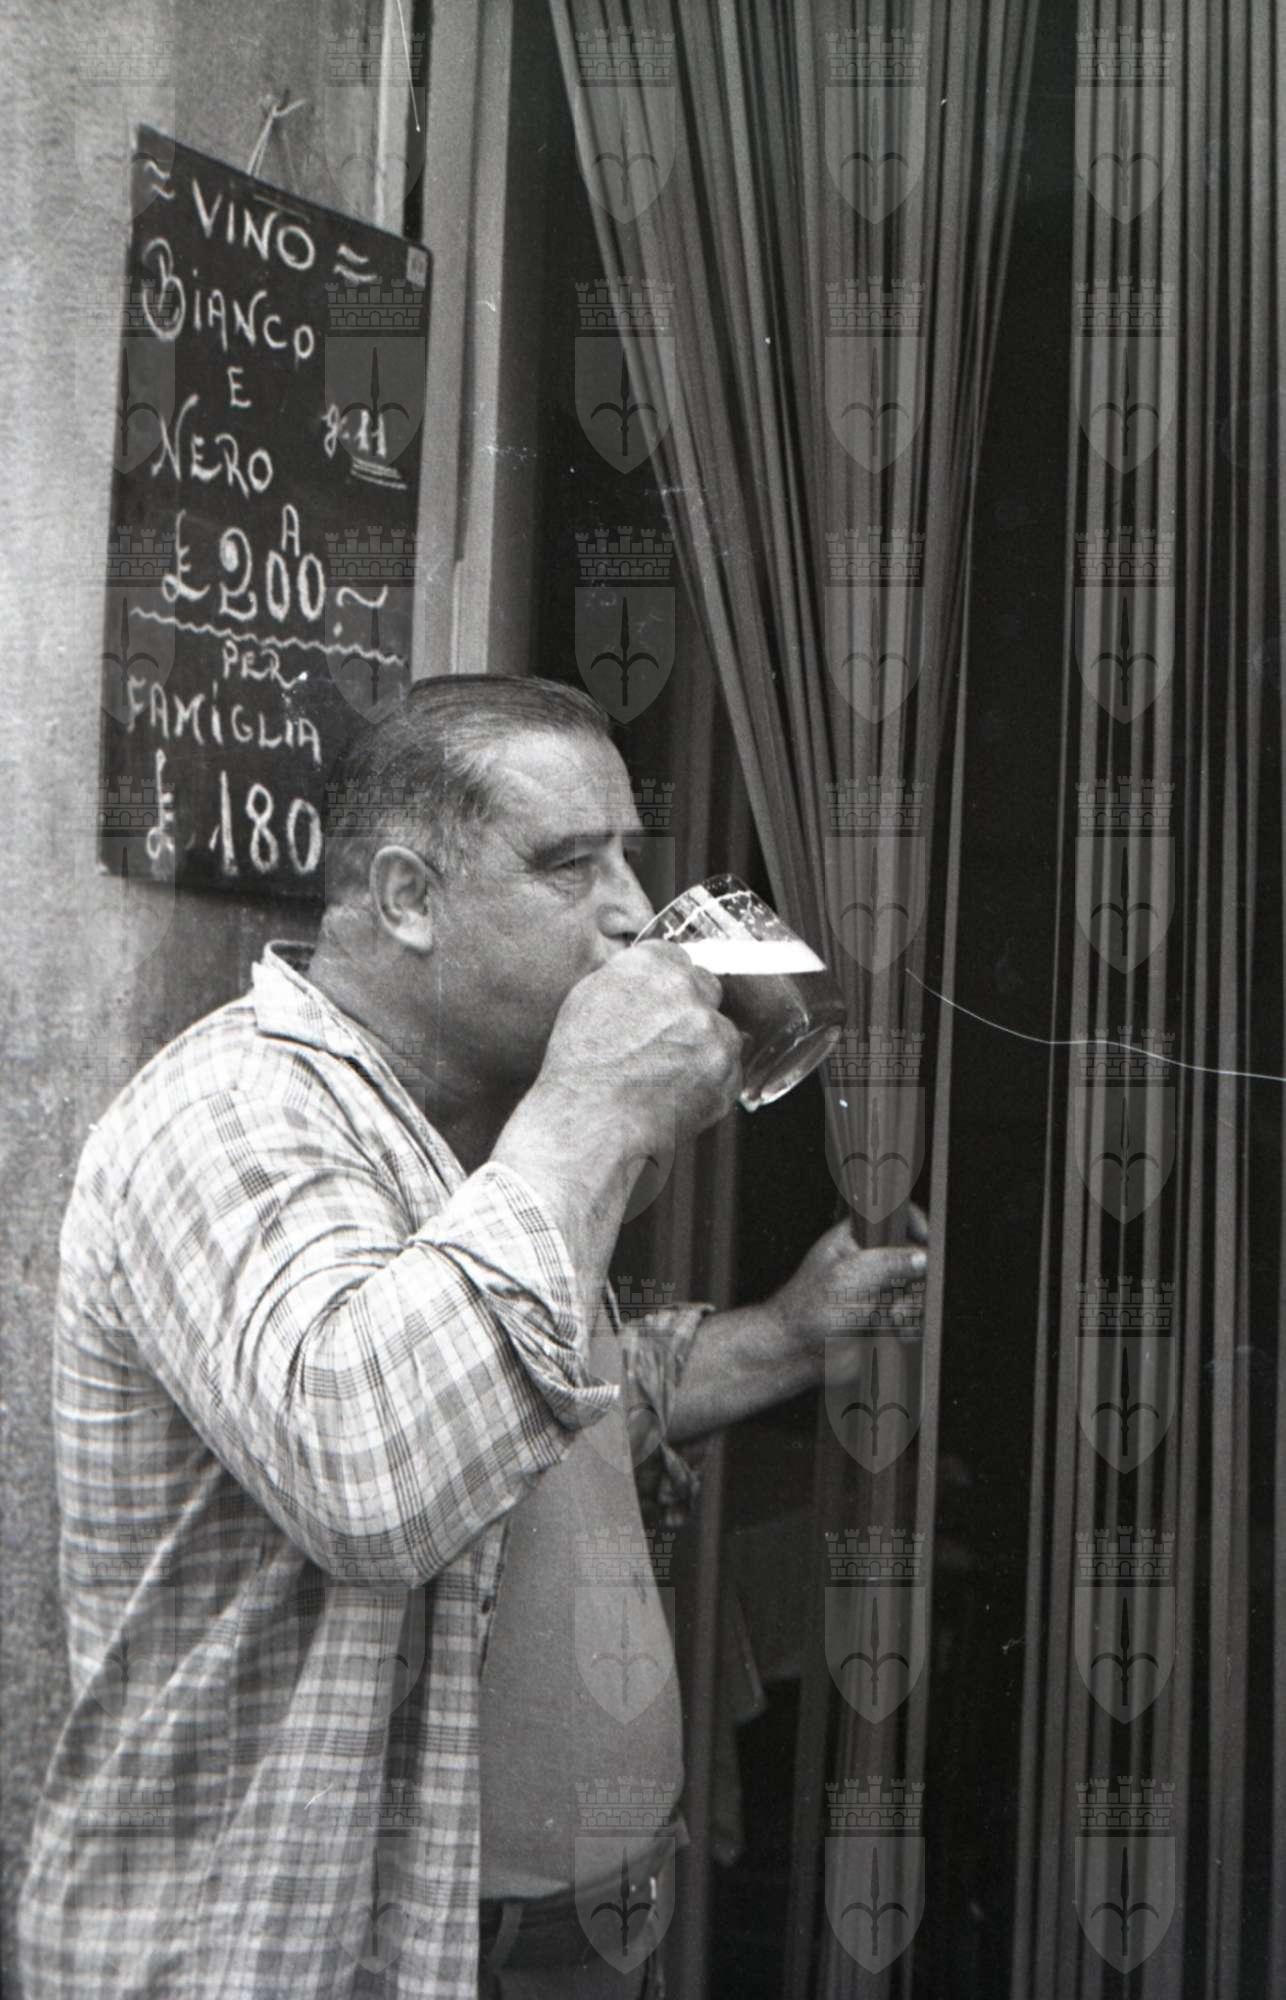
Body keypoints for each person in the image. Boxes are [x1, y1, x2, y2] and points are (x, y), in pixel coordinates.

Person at [19, 675, 926, 1999]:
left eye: (628, 858)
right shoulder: (234, 1115)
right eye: (570, 864)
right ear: (406, 898)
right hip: (322, 1955)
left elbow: (556, 1411)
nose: (632, 911)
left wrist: (789, 1336)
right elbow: (374, 1474)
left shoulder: (483, 1134)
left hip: (581, 1934)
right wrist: (592, 1113)